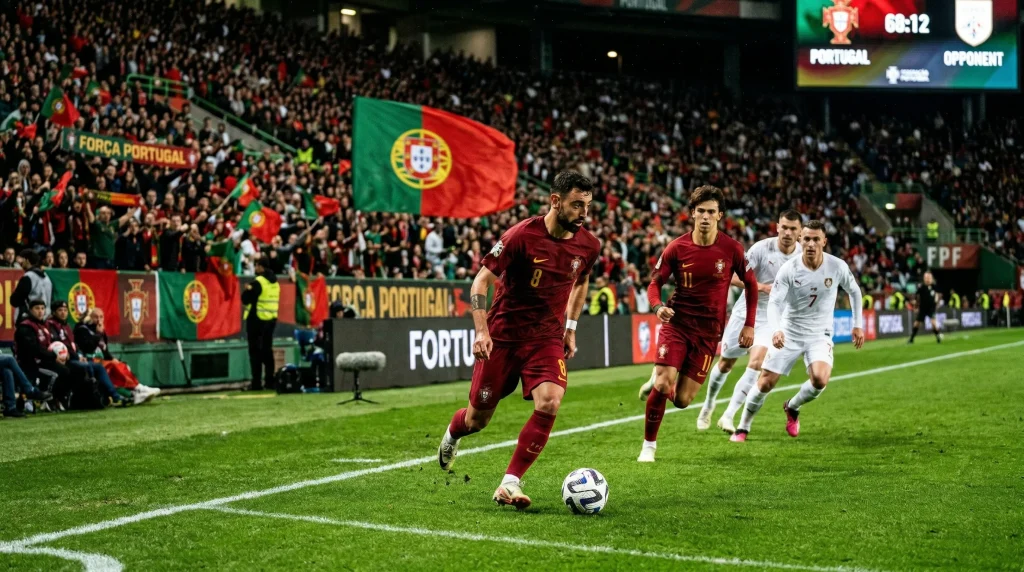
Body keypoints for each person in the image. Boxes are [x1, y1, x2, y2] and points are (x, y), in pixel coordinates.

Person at [435, 170, 600, 509]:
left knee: (550, 401)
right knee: (477, 420)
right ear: (555, 201)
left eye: (587, 205)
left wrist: (570, 327)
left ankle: (510, 482)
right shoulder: (521, 236)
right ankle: (453, 433)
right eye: (577, 205)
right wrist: (482, 331)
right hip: (504, 337)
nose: (584, 213)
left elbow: (582, 280)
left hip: (546, 339)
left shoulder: (589, 245)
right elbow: (481, 282)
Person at [636, 185, 759, 462]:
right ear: (692, 213)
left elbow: (751, 284)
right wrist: (657, 306)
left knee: (682, 400)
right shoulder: (677, 248)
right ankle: (648, 447)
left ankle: (657, 381)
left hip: (708, 333)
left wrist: (749, 324)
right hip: (677, 324)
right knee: (664, 382)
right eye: (700, 211)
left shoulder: (732, 248)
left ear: (720, 215)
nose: (705, 216)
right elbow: (655, 283)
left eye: (711, 212)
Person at [730, 221, 865, 442]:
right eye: (807, 239)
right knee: (765, 382)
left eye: (816, 239)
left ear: (824, 241)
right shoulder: (789, 269)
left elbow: (855, 291)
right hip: (790, 332)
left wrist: (857, 324)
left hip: (819, 334)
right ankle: (743, 427)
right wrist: (776, 330)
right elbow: (774, 302)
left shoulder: (837, 266)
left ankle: (792, 407)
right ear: (800, 240)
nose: (811, 244)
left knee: (820, 379)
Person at [691, 210, 802, 434]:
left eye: (793, 229)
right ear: (777, 227)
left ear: (800, 232)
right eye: (784, 227)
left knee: (758, 362)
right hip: (746, 312)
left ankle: (728, 415)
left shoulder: (802, 257)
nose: (788, 232)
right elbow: (732, 277)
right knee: (726, 363)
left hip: (771, 318)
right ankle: (708, 404)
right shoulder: (761, 249)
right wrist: (761, 287)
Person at [47, 301, 127, 407]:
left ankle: (115, 396)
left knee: (99, 367)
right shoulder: (51, 326)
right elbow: (59, 346)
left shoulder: (66, 326)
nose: (63, 313)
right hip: (64, 359)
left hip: (76, 357)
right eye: (60, 310)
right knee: (87, 366)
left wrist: (80, 355)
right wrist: (77, 356)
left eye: (65, 310)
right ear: (54, 312)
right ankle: (94, 396)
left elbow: (74, 345)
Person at [75, 308, 161, 404]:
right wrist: (98, 334)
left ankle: (135, 392)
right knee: (114, 367)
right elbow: (88, 348)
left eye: (101, 317)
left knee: (121, 366)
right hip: (90, 361)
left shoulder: (101, 331)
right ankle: (137, 389)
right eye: (96, 317)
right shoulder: (82, 330)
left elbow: (105, 351)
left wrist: (112, 358)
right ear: (90, 318)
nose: (99, 320)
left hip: (102, 361)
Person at [14, 299, 70, 405]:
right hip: (30, 363)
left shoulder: (44, 325)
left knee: (70, 369)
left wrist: (64, 353)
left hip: (44, 360)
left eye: (42, 308)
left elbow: (53, 343)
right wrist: (54, 357)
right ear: (30, 310)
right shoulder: (25, 327)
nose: (40, 311)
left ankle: (58, 399)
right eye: (37, 308)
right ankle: (47, 400)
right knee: (60, 372)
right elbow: (33, 349)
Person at [242, 254, 280, 390]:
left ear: (261, 267)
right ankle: (270, 381)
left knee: (255, 352)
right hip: (271, 320)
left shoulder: (258, 282)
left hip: (256, 320)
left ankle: (256, 383)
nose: (255, 268)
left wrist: (247, 289)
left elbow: (245, 299)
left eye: (256, 265)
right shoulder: (275, 283)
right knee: (267, 351)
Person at [9, 249, 52, 323]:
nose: (20, 262)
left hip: (29, 320)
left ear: (27, 260)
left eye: (22, 259)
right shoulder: (47, 277)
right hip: (44, 319)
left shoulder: (28, 277)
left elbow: (15, 301)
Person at [908, 271, 941, 343]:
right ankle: (911, 339)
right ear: (924, 278)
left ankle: (938, 337)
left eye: (929, 278)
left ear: (931, 278)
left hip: (931, 308)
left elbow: (937, 295)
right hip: (923, 308)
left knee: (933, 323)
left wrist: (937, 302)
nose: (928, 279)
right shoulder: (921, 287)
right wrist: (915, 304)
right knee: (917, 323)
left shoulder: (934, 286)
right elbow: (916, 296)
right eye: (926, 278)